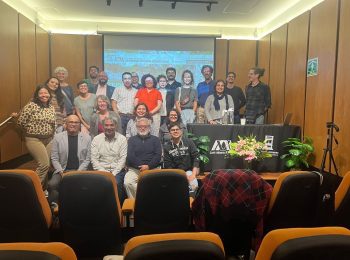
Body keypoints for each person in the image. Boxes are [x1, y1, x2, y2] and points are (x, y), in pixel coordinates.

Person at [13, 85, 56, 190]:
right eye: (41, 93)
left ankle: (43, 190)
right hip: (34, 139)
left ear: (49, 95)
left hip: (49, 139)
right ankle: (31, 189)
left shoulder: (51, 107)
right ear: (37, 94)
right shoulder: (31, 106)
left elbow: (53, 123)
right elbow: (20, 123)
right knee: (44, 165)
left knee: (46, 165)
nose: (44, 95)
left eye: (46, 93)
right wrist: (27, 134)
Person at [48, 115, 91, 204]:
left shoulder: (87, 138)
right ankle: (54, 207)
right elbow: (54, 158)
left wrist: (78, 172)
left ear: (80, 125)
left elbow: (87, 159)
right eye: (71, 122)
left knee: (84, 186)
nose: (73, 124)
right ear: (66, 124)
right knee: (52, 184)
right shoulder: (58, 137)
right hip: (62, 170)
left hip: (80, 170)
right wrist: (61, 172)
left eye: (76, 122)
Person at [91, 117, 127, 204]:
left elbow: (122, 159)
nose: (109, 127)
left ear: (116, 126)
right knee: (98, 184)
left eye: (111, 125)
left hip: (117, 171)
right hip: (101, 170)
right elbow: (94, 160)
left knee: (117, 183)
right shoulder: (96, 139)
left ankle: (118, 208)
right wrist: (105, 173)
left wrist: (113, 174)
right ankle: (101, 208)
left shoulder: (122, 139)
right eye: (106, 125)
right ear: (103, 126)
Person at [124, 117, 162, 198]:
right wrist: (141, 167)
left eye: (145, 126)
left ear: (149, 127)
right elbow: (130, 155)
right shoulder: (131, 140)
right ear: (136, 127)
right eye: (140, 126)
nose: (142, 128)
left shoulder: (156, 140)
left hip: (153, 168)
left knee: (156, 184)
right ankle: (136, 202)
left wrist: (148, 166)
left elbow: (158, 155)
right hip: (135, 169)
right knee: (127, 182)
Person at [163, 122, 200, 193]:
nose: (175, 131)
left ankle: (192, 203)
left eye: (177, 129)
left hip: (189, 171)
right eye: (173, 130)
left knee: (194, 186)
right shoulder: (167, 147)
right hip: (175, 173)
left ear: (181, 131)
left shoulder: (189, 142)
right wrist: (182, 176)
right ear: (169, 133)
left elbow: (196, 157)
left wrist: (193, 174)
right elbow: (168, 165)